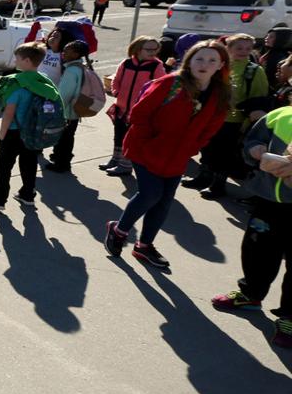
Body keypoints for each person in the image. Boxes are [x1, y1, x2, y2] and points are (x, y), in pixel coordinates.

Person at [104, 40, 230, 268]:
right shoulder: (171, 83)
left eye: (212, 60)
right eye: (199, 58)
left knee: (164, 201)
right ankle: (119, 230)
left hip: (177, 155)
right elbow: (139, 113)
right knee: (150, 194)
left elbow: (212, 126)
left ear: (221, 65)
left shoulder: (219, 94)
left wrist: (193, 147)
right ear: (189, 60)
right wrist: (150, 141)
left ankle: (144, 246)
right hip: (145, 148)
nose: (204, 64)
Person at [210, 105, 292, 348]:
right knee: (257, 249)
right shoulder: (280, 115)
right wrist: (254, 150)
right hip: (268, 200)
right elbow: (251, 141)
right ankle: (251, 294)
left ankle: (289, 317)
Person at [182, 34, 268, 199]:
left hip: (234, 121)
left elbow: (258, 98)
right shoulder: (220, 66)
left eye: (248, 48)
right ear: (227, 48)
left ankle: (218, 185)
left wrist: (248, 122)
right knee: (207, 148)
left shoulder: (254, 71)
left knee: (225, 154)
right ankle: (203, 177)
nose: (244, 51)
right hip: (212, 116)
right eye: (239, 48)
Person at [0, 43, 60, 211]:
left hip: (13, 132)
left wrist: (2, 134)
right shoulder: (44, 82)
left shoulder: (17, 83)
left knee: (4, 167)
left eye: (18, 58)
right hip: (34, 132)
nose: (15, 61)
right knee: (29, 163)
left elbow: (9, 112)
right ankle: (28, 195)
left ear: (27, 61)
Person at [102, 37, 166, 176]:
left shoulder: (156, 66)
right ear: (138, 49)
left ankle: (126, 165)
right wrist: (116, 92)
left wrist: (147, 102)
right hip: (121, 108)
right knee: (119, 135)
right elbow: (116, 80)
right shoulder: (126, 63)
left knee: (131, 138)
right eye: (149, 49)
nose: (153, 52)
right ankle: (116, 159)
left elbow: (161, 87)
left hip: (139, 111)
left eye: (155, 49)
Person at [46, 40, 90, 173]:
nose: (63, 53)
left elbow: (63, 95)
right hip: (74, 111)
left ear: (75, 54)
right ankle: (63, 160)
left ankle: (61, 164)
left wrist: (53, 111)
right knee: (68, 137)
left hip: (66, 112)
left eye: (67, 51)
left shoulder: (71, 71)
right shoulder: (80, 67)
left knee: (63, 139)